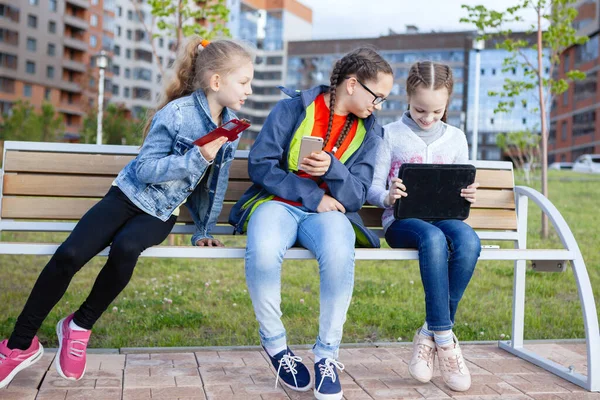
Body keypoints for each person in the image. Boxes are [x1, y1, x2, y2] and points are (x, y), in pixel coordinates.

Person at [0, 37, 254, 388]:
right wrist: (196, 157)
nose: (250, 90)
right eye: (243, 82)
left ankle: (80, 326)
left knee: (126, 248)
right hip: (126, 196)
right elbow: (146, 169)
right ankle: (19, 343)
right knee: (69, 255)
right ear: (216, 82)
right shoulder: (176, 115)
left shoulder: (232, 129)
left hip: (161, 213)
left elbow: (215, 183)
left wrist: (203, 229)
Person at [229, 47, 393, 400]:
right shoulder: (293, 108)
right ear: (352, 84)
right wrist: (312, 195)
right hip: (279, 204)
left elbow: (356, 194)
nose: (378, 106)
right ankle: (276, 347)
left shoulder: (370, 132)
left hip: (330, 215)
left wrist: (334, 170)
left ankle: (327, 355)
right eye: (377, 96)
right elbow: (261, 164)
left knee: (339, 250)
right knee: (263, 249)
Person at [366, 61, 480, 392]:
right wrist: (388, 196)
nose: (427, 118)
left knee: (469, 242)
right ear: (407, 98)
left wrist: (468, 193)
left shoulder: (456, 138)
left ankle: (429, 332)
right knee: (432, 238)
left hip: (446, 217)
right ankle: (446, 340)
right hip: (402, 222)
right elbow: (372, 188)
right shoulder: (390, 134)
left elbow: (460, 185)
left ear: (448, 105)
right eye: (419, 110)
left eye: (436, 111)